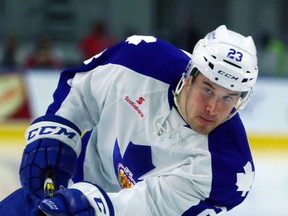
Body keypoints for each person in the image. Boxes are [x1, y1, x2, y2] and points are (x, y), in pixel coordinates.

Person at [0, 25, 258, 215]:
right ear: (189, 76)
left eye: (229, 98)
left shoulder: (228, 168)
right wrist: (55, 137)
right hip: (71, 183)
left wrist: (85, 206)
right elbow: (82, 92)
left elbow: (150, 205)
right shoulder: (140, 60)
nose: (213, 108)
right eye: (208, 89)